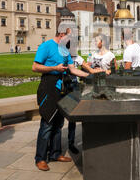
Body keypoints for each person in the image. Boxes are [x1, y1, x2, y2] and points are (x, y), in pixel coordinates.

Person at [32, 28, 89, 172]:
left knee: (58, 123)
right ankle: (40, 158)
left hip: (62, 89)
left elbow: (73, 69)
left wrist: (89, 76)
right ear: (62, 34)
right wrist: (54, 68)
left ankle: (55, 154)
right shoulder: (46, 46)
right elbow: (35, 67)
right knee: (47, 124)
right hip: (48, 88)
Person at [63, 29, 104, 154]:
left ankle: (70, 143)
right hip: (63, 86)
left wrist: (102, 71)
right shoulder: (63, 56)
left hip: (74, 87)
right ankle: (53, 146)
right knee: (58, 118)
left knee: (73, 117)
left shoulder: (78, 58)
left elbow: (89, 70)